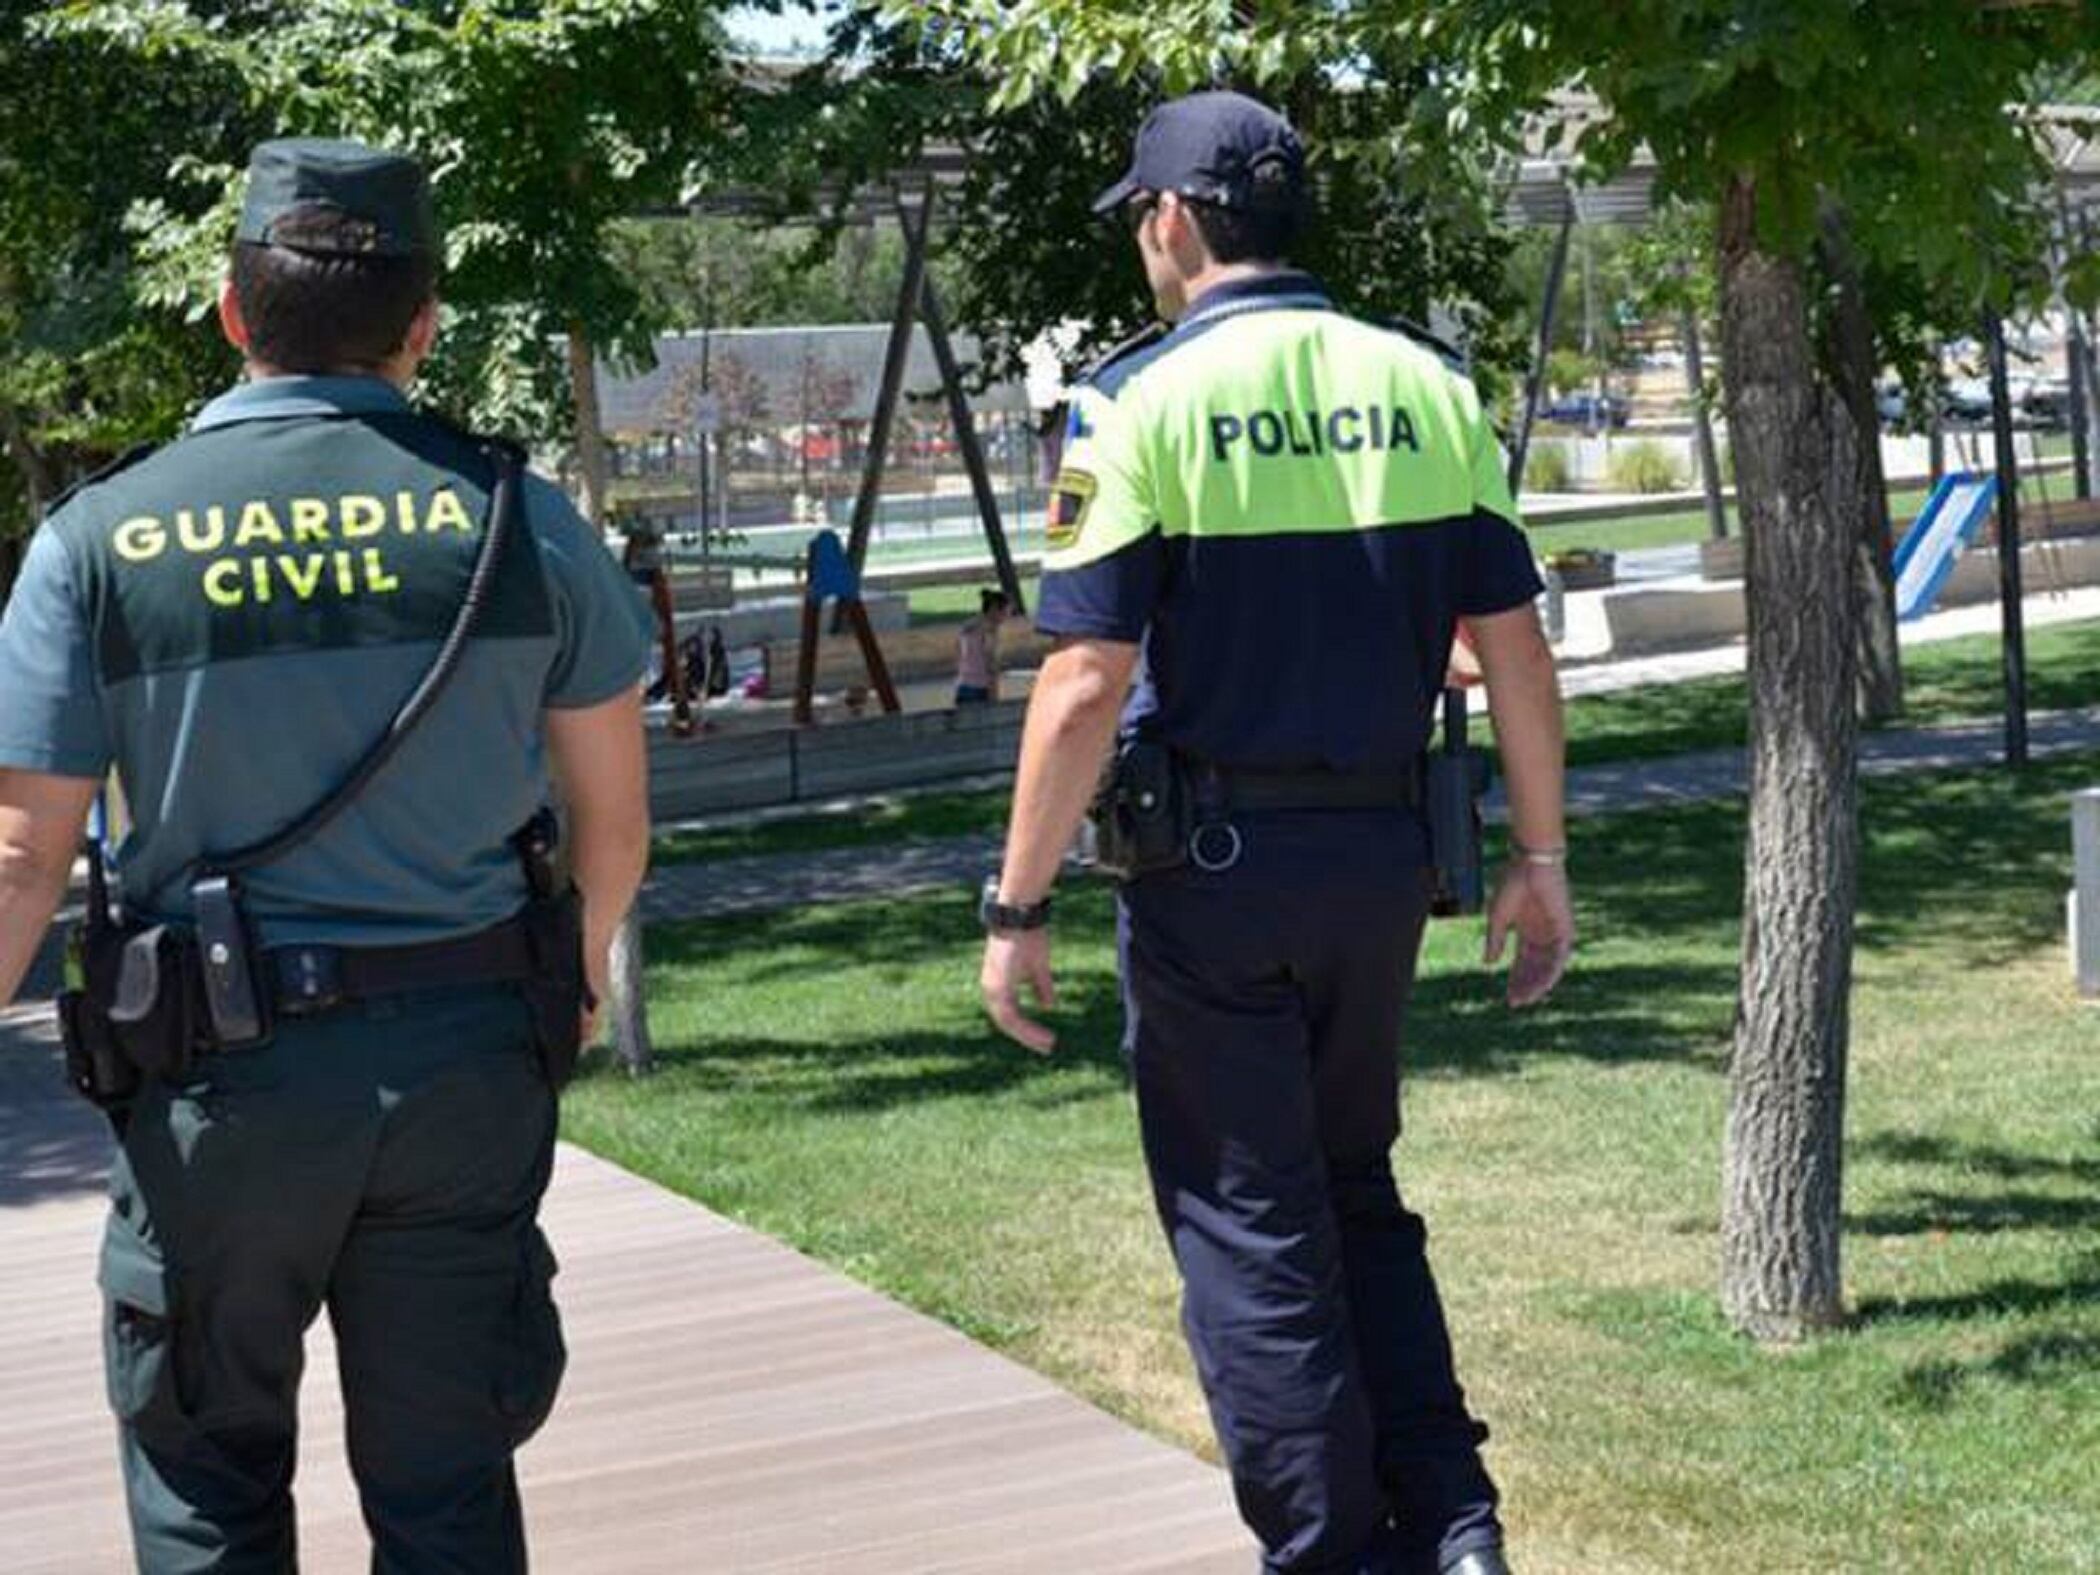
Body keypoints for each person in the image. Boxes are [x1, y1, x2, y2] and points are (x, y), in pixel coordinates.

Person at [0, 138, 652, 1573]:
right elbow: (613, 822)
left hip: (215, 1089)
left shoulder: (98, 539)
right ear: (424, 323)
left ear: (231, 309)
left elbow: (21, 855)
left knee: (207, 1480)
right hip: (464, 1066)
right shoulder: (519, 520)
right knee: (446, 1490)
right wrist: (581, 979)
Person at [976, 93, 1574, 1575]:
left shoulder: (1135, 400)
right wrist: (1542, 860)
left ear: (1173, 219)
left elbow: (1081, 680)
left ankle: (1327, 1548)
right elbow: (1514, 651)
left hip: (1209, 876)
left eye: (1138, 215)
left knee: (1251, 1224)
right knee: (1355, 1182)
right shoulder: (1430, 383)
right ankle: (1452, 1519)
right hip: (1382, 866)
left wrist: (1016, 900)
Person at [955, 587, 1012, 705]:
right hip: (980, 689)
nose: (1007, 617)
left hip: (963, 686)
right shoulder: (990, 631)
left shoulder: (966, 628)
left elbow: (960, 655)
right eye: (1006, 612)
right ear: (995, 609)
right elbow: (990, 664)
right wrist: (994, 695)